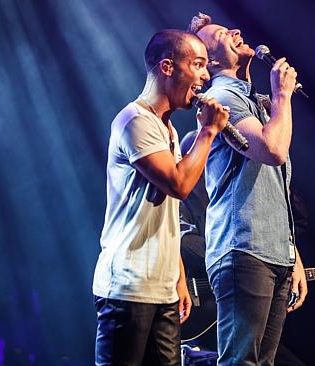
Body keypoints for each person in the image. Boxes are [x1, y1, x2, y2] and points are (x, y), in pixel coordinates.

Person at [91, 29, 229, 366]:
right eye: (197, 64)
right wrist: (208, 132)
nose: (204, 75)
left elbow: (166, 216)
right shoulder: (134, 121)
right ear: (168, 67)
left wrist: (177, 277)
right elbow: (178, 186)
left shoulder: (167, 128)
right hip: (128, 287)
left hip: (162, 288)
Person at [188, 13, 308, 366]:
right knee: (241, 362)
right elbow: (273, 151)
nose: (236, 32)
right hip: (244, 248)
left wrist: (292, 252)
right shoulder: (223, 96)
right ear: (209, 62)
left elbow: (275, 188)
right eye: (224, 34)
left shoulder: (253, 102)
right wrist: (282, 95)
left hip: (273, 251)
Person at [178, 131, 307, 366]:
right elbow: (184, 240)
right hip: (205, 303)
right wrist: (232, 253)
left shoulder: (236, 194)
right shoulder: (188, 198)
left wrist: (291, 255)